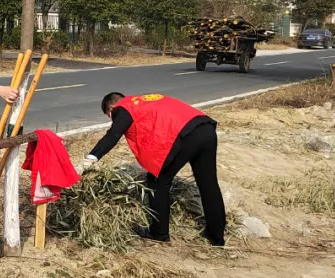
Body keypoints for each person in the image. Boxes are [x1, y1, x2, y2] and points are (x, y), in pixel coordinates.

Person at [81, 92, 226, 246]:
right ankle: (217, 237)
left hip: (186, 135)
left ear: (111, 108)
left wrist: (91, 158)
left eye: (110, 116)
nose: (113, 119)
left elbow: (112, 135)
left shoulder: (123, 108)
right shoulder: (147, 100)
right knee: (208, 184)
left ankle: (159, 233)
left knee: (157, 181)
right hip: (205, 128)